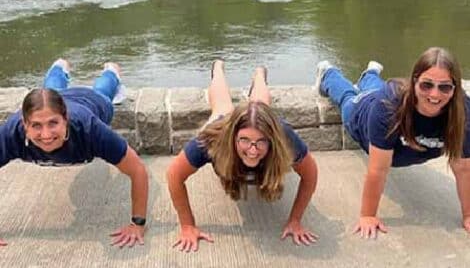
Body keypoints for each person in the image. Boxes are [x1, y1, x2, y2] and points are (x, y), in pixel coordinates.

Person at [315, 46, 470, 239]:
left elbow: (463, 168)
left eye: (445, 87)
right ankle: (329, 73)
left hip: (387, 98)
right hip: (363, 116)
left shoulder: (463, 112)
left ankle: (370, 74)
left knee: (377, 89)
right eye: (426, 85)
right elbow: (378, 169)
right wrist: (368, 215)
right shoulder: (387, 107)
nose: (435, 95)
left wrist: (468, 215)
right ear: (414, 81)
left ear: (455, 89)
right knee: (348, 98)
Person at [167, 60, 318, 252]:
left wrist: (295, 220)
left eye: (261, 142)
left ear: (272, 140)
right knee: (221, 106)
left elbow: (310, 173)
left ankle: (259, 75)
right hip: (223, 123)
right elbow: (174, 175)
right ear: (233, 137)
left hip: (263, 118)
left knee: (260, 106)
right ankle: (218, 69)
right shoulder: (214, 138)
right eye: (245, 140)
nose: (253, 151)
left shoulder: (283, 135)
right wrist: (187, 225)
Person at [0, 59, 148, 248]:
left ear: (66, 119)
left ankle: (111, 72)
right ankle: (59, 68)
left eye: (53, 124)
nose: (46, 135)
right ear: (24, 124)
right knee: (51, 93)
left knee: (103, 91)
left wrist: (138, 224)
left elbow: (137, 170)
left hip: (92, 101)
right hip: (58, 100)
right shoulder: (11, 133)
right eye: (36, 125)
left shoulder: (90, 129)